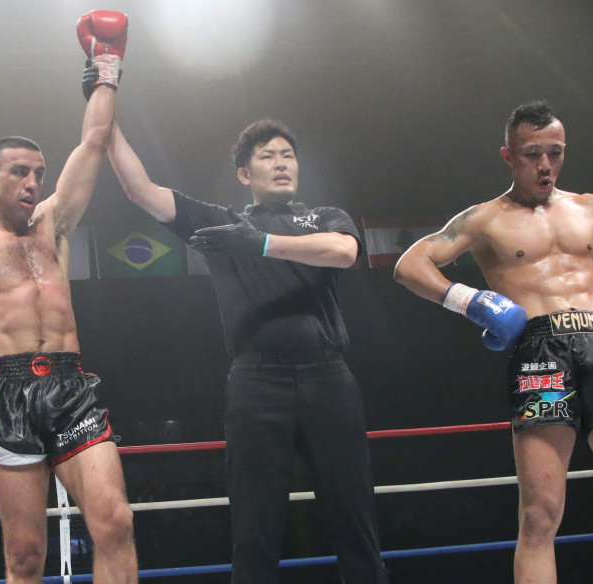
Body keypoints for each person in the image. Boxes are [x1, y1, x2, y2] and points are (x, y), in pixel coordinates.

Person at [394, 100, 593, 583]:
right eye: (533, 154)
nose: (545, 164)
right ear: (509, 155)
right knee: (539, 516)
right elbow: (410, 265)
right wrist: (471, 301)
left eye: (556, 152)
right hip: (541, 353)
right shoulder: (483, 219)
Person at [105, 114, 388, 583]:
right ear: (244, 173)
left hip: (328, 378)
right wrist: (107, 116)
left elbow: (345, 252)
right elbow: (141, 190)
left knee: (354, 518)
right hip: (257, 384)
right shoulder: (223, 223)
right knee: (255, 526)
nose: (281, 163)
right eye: (267, 156)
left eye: (288, 155)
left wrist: (260, 243)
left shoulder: (323, 218)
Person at [0, 11, 138, 584]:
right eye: (19, 172)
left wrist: (106, 68)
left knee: (115, 522)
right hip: (5, 392)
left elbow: (93, 142)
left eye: (38, 173)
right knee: (25, 556)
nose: (33, 183)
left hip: (70, 385)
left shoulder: (53, 224)